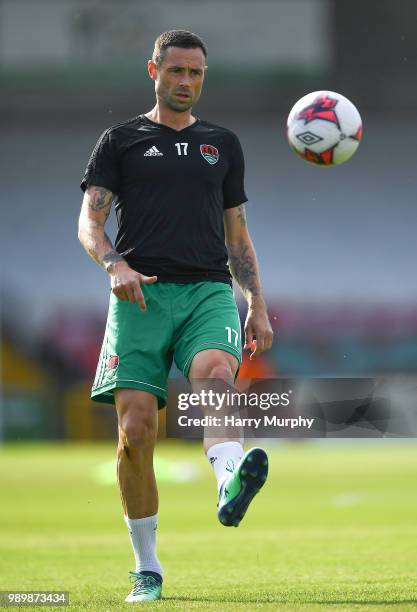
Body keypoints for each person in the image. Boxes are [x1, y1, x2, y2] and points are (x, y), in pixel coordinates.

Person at [78, 29, 273, 603]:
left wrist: (257, 302)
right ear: (153, 71)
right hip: (139, 296)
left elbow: (236, 232)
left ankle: (228, 484)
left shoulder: (223, 144)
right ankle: (147, 568)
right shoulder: (120, 141)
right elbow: (89, 223)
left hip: (208, 291)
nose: (186, 82)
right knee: (136, 433)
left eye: (196, 74)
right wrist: (114, 264)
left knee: (214, 373)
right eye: (176, 72)